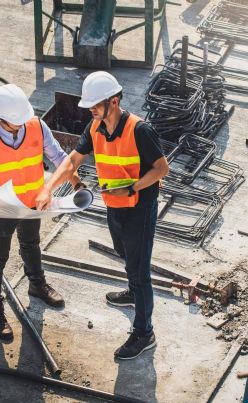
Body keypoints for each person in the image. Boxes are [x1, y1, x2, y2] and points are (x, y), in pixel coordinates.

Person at [36, 71, 169, 360]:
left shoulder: (140, 130)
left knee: (140, 270)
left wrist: (133, 187)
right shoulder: (95, 127)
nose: (91, 110)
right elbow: (72, 161)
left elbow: (161, 169)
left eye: (96, 105)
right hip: (114, 206)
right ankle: (134, 293)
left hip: (139, 209)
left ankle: (144, 332)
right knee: (124, 254)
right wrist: (48, 188)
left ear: (114, 101)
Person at [0, 84, 84, 341]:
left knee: (31, 244)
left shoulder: (36, 125)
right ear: (0, 118)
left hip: (31, 205)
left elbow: (60, 159)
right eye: (16, 122)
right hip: (0, 211)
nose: (22, 124)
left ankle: (37, 284)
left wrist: (77, 183)